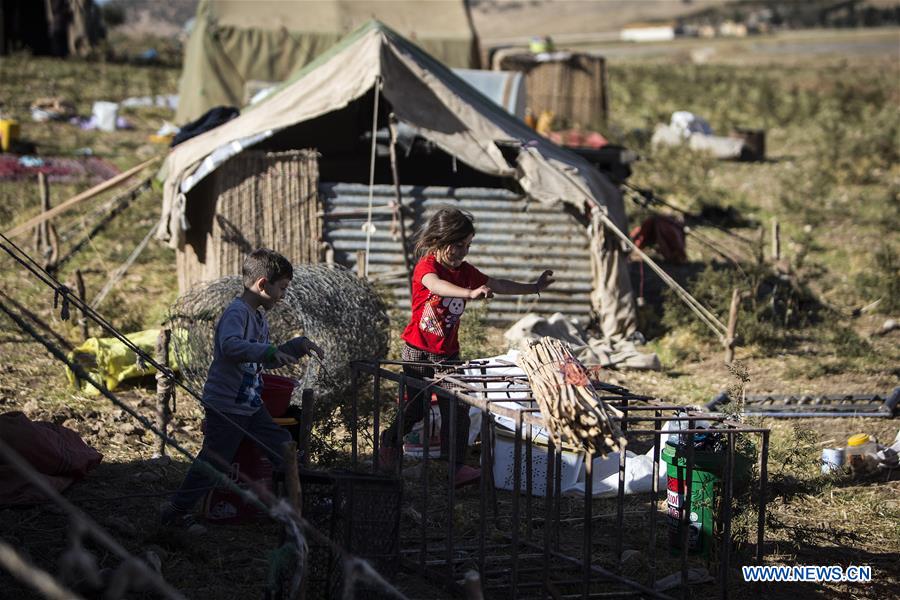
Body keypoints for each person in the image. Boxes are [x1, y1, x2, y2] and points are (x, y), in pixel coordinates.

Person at [379, 207, 554, 486]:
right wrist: (469, 293)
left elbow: (498, 284)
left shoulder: (465, 271)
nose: (463, 252)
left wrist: (534, 287)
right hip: (418, 351)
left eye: (468, 246)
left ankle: (455, 466)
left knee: (457, 406)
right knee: (416, 406)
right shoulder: (427, 267)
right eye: (458, 245)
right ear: (439, 240)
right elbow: (437, 286)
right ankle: (389, 441)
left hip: (447, 354)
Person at [160, 248, 323, 534]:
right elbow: (231, 346)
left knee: (284, 447)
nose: (283, 295)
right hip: (226, 406)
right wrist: (267, 351)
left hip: (250, 405)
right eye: (282, 288)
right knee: (215, 461)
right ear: (263, 284)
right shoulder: (237, 313)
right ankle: (176, 511)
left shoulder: (258, 318)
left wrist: (297, 346)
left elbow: (266, 358)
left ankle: (298, 505)